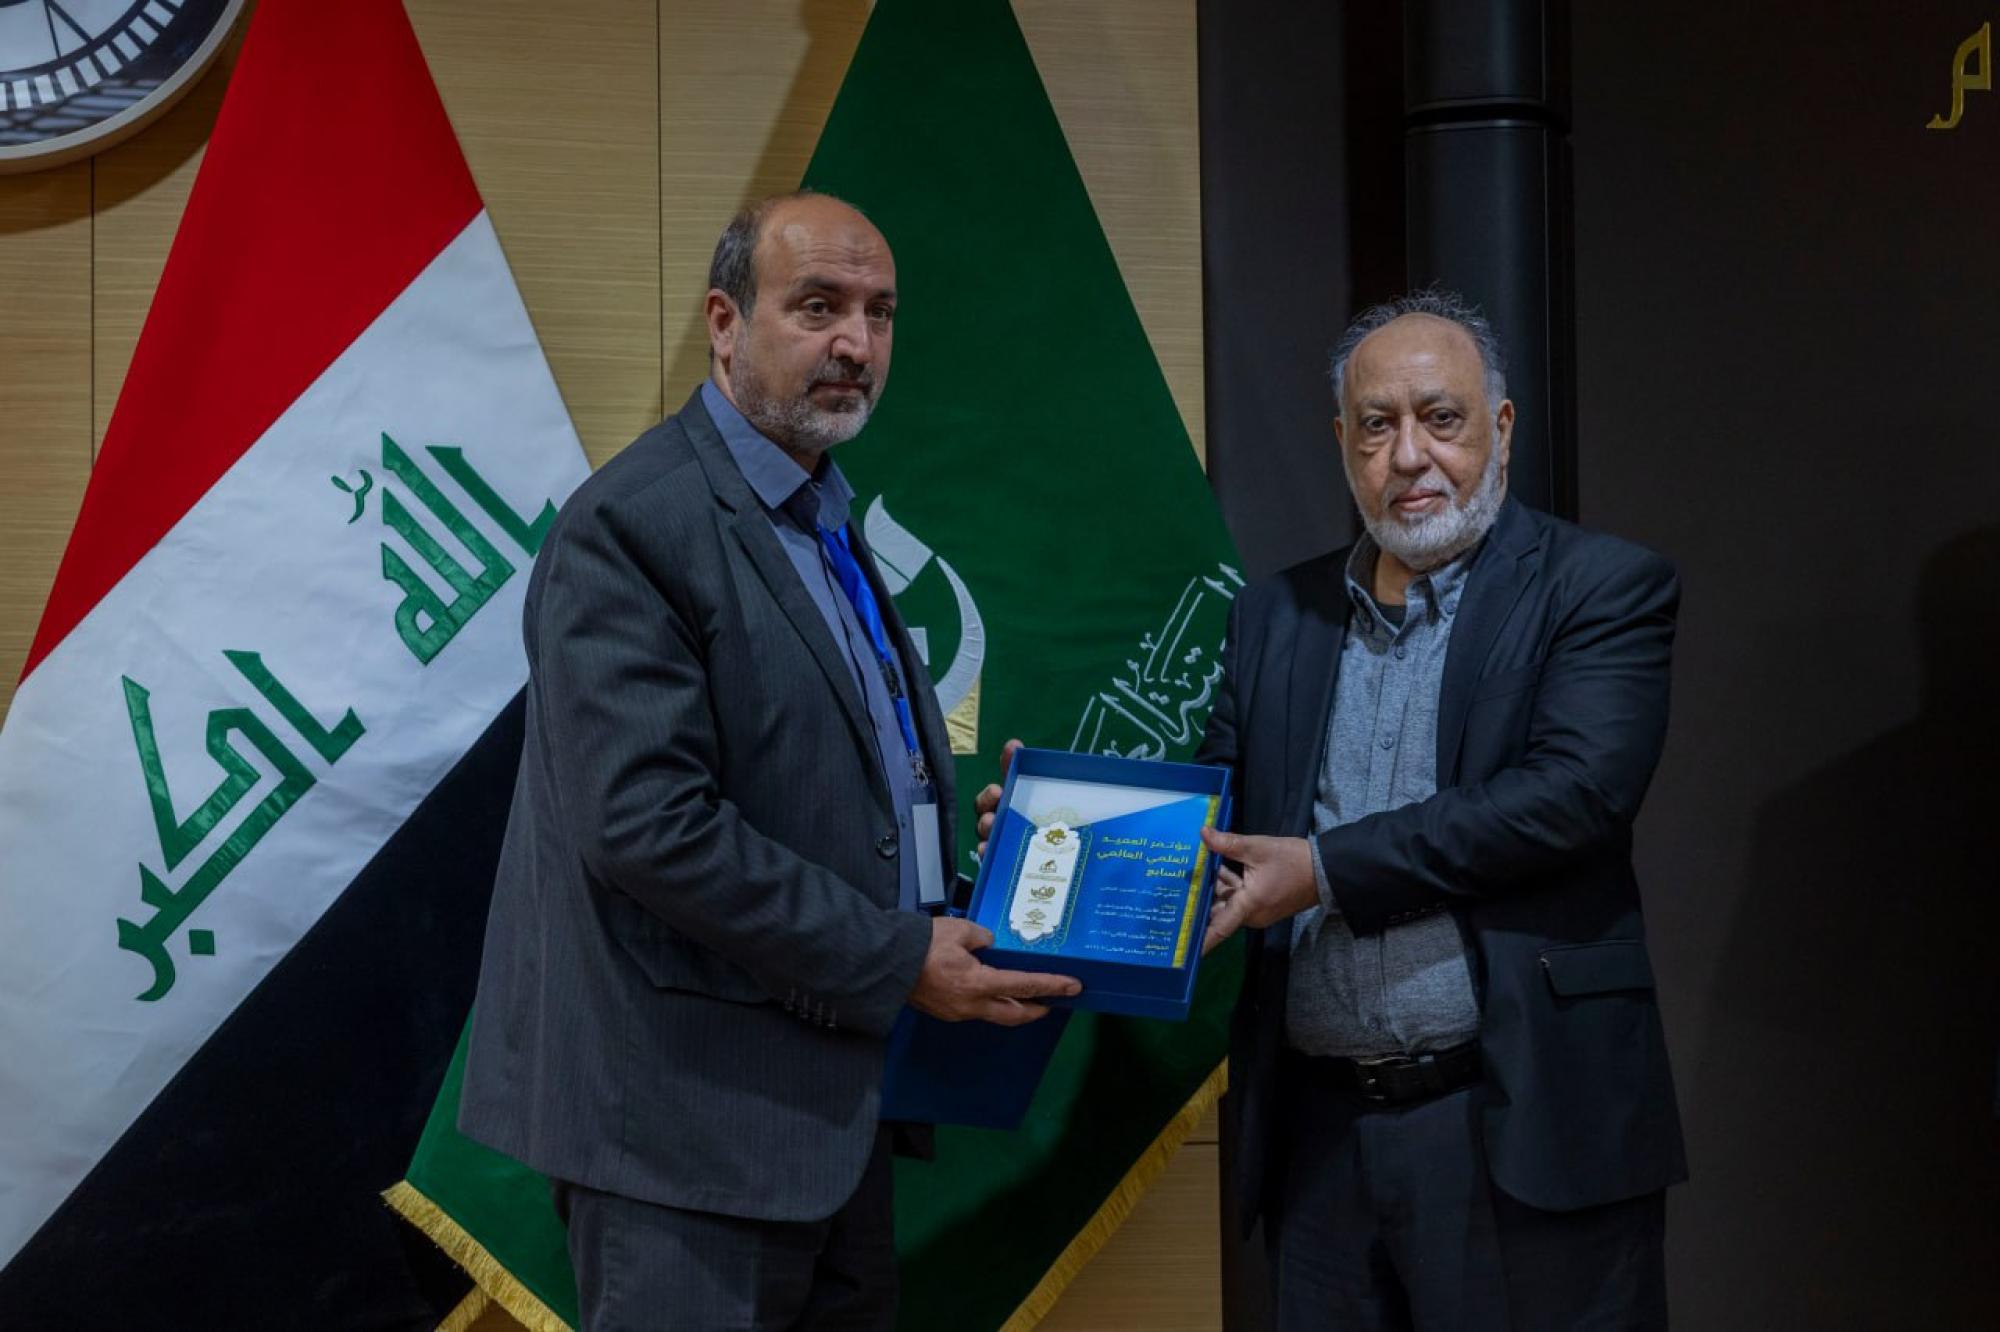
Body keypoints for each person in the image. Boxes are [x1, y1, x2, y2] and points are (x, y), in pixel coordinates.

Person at [980, 290, 1686, 1330]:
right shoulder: (1273, 615)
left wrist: (1321, 870)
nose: (1408, 456)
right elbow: (1215, 819)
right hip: (1320, 1140)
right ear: (1342, 443)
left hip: (1515, 1123)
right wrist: (1056, 843)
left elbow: (1571, 797)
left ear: (1499, 427)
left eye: (1439, 419)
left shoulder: (1597, 587)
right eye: (1375, 425)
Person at [458, 191, 1079, 1332]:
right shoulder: (633, 525)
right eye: (818, 306)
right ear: (725, 323)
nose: (856, 343)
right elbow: (647, 825)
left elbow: (834, 788)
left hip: (832, 1118)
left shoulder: (822, 518)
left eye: (879, 314)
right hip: (682, 1136)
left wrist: (975, 877)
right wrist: (899, 953)